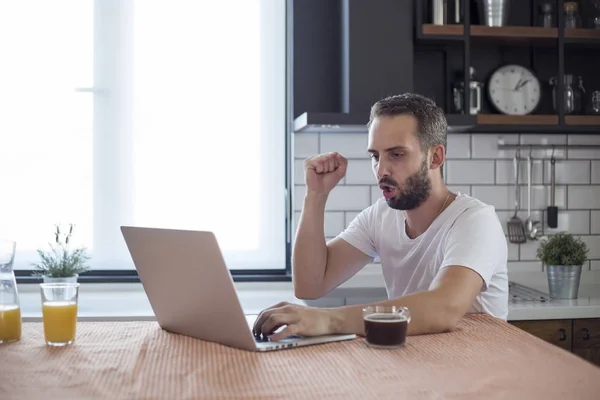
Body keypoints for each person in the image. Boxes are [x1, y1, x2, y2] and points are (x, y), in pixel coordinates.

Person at [252, 93, 508, 342]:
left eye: (396, 154)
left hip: (482, 373)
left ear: (435, 157)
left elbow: (444, 307)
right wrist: (316, 195)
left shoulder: (474, 220)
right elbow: (310, 286)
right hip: (423, 370)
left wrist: (327, 320)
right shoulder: (380, 217)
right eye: (375, 156)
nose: (381, 170)